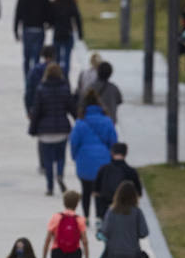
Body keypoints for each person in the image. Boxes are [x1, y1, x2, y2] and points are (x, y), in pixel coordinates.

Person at [69, 90, 116, 223]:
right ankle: (99, 217)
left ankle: (86, 216)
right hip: (103, 160)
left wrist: (74, 156)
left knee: (86, 190)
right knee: (100, 190)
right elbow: (113, 141)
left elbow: (74, 142)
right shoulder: (107, 121)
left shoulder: (80, 123)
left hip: (84, 160)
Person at [29, 64, 76, 197]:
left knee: (48, 160)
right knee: (60, 157)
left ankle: (50, 186)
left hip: (45, 131)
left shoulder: (41, 89)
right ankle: (60, 174)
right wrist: (78, 118)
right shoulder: (65, 89)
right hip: (61, 129)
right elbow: (72, 108)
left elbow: (36, 111)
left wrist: (33, 129)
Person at [14, 0, 53, 80]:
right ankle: (35, 79)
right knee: (36, 58)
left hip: (27, 29)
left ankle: (27, 80)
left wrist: (16, 30)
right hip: (39, 29)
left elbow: (18, 13)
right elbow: (49, 12)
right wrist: (49, 24)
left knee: (26, 57)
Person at [93, 143, 143, 221]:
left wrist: (99, 214)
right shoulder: (131, 172)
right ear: (126, 153)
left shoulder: (103, 170)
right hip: (126, 211)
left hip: (106, 210)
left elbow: (96, 192)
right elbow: (138, 193)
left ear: (112, 153)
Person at [50, 0, 83, 77]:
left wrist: (50, 25)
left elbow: (50, 18)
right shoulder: (71, 4)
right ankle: (65, 76)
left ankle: (56, 76)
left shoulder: (55, 4)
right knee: (67, 58)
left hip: (57, 33)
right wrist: (80, 33)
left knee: (57, 58)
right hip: (68, 33)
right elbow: (77, 19)